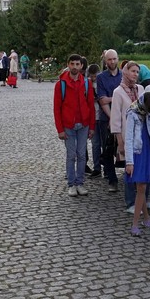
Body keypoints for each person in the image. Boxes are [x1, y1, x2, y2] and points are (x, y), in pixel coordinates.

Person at [54, 54, 95, 197]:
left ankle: (80, 183)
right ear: (68, 65)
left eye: (77, 64)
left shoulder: (86, 83)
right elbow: (57, 108)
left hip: (83, 124)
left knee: (82, 155)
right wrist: (60, 129)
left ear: (81, 66)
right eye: (72, 64)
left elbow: (91, 106)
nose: (75, 67)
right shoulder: (61, 84)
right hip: (68, 125)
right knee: (71, 155)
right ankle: (71, 184)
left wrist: (92, 127)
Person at [126, 92, 150, 236]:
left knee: (142, 188)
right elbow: (128, 139)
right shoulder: (132, 114)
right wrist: (129, 162)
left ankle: (146, 218)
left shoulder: (149, 113)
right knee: (141, 187)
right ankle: (135, 224)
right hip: (137, 153)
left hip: (147, 151)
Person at [111, 61, 147, 213]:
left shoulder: (141, 89)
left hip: (142, 134)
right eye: (132, 71)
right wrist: (120, 141)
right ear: (125, 72)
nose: (135, 74)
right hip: (127, 136)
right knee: (129, 168)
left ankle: (143, 201)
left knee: (142, 167)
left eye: (137, 72)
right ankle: (130, 202)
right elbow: (115, 119)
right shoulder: (118, 92)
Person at [96, 49, 123, 192]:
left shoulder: (124, 75)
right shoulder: (101, 77)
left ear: (118, 59)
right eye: (109, 59)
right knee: (107, 149)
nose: (112, 62)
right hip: (106, 118)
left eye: (114, 59)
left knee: (123, 147)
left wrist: (111, 98)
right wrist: (113, 118)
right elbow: (102, 100)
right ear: (105, 61)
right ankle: (112, 180)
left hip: (123, 118)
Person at [86, 63, 102, 177]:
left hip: (103, 116)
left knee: (105, 145)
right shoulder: (87, 84)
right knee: (95, 144)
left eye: (95, 76)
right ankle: (97, 168)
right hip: (93, 117)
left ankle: (107, 168)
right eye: (91, 76)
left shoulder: (102, 83)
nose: (93, 78)